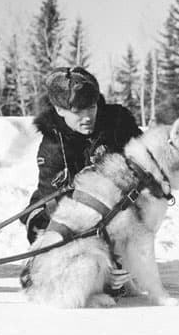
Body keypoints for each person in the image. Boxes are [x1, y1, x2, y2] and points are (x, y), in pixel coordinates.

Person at [22, 67, 142, 245]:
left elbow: (146, 153)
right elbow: (55, 202)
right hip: (65, 206)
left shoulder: (117, 121)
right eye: (78, 111)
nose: (87, 117)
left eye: (91, 107)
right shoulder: (53, 147)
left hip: (117, 203)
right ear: (60, 110)